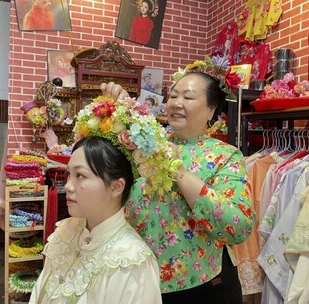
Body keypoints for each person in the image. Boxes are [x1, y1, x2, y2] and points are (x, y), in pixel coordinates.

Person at [100, 72, 256, 304]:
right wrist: (122, 114)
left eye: (188, 97)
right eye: (173, 96)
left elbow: (239, 227)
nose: (176, 103)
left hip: (201, 286)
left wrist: (179, 173)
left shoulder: (225, 155)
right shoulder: (145, 141)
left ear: (212, 110)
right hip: (137, 280)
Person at [29, 136, 162, 303]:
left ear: (116, 187)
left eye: (80, 175)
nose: (68, 186)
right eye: (69, 174)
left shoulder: (131, 261)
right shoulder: (65, 232)